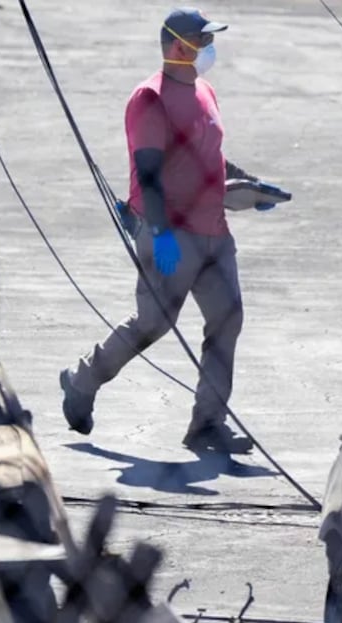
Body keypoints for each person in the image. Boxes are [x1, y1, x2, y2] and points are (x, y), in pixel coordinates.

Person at [59, 7, 269, 455]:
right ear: (178, 45)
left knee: (227, 319)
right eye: (203, 40)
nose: (210, 49)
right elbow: (149, 174)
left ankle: (207, 425)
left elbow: (212, 159)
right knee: (152, 323)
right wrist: (161, 233)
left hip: (215, 230)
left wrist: (253, 187)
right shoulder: (149, 99)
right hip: (170, 232)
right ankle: (82, 381)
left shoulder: (205, 91)